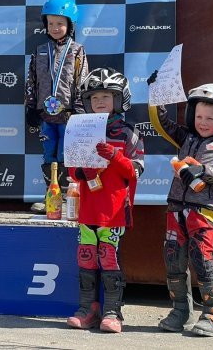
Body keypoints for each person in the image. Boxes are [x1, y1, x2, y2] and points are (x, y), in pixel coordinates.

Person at [147, 72, 213, 337]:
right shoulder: (185, 137)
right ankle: (180, 311)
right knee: (173, 260)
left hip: (203, 212)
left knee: (202, 259)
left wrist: (203, 171)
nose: (202, 122)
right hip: (175, 209)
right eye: (198, 116)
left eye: (210, 118)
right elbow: (161, 123)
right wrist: (156, 94)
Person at [66, 68, 144, 333]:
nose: (100, 101)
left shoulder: (128, 134)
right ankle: (87, 309)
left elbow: (135, 171)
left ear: (120, 99)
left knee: (109, 259)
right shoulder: (80, 128)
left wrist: (115, 156)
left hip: (113, 211)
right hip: (88, 209)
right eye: (95, 97)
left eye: (107, 96)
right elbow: (71, 171)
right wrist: (83, 171)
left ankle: (113, 312)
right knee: (86, 258)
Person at [25, 0, 90, 213]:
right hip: (45, 114)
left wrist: (79, 110)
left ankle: (65, 198)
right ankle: (51, 198)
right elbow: (31, 80)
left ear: (70, 25)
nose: (55, 28)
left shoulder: (77, 50)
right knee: (48, 155)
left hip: (68, 115)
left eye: (60, 23)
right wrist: (30, 106)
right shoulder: (40, 50)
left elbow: (82, 81)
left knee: (65, 155)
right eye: (50, 23)